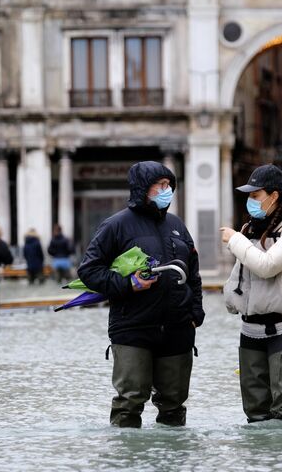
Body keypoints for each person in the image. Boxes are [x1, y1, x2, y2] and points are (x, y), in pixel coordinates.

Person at [77, 161, 204, 428]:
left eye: (169, 185)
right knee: (130, 401)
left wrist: (195, 313)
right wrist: (128, 284)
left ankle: (171, 462)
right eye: (160, 185)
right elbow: (89, 270)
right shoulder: (116, 225)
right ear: (142, 189)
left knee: (174, 402)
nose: (166, 190)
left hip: (178, 329)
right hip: (133, 327)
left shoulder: (177, 224)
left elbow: (193, 273)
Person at [220, 164, 282, 422]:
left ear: (274, 196)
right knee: (255, 412)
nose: (250, 200)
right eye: (248, 195)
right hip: (250, 329)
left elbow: (267, 266)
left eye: (255, 195)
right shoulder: (249, 229)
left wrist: (235, 240)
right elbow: (241, 276)